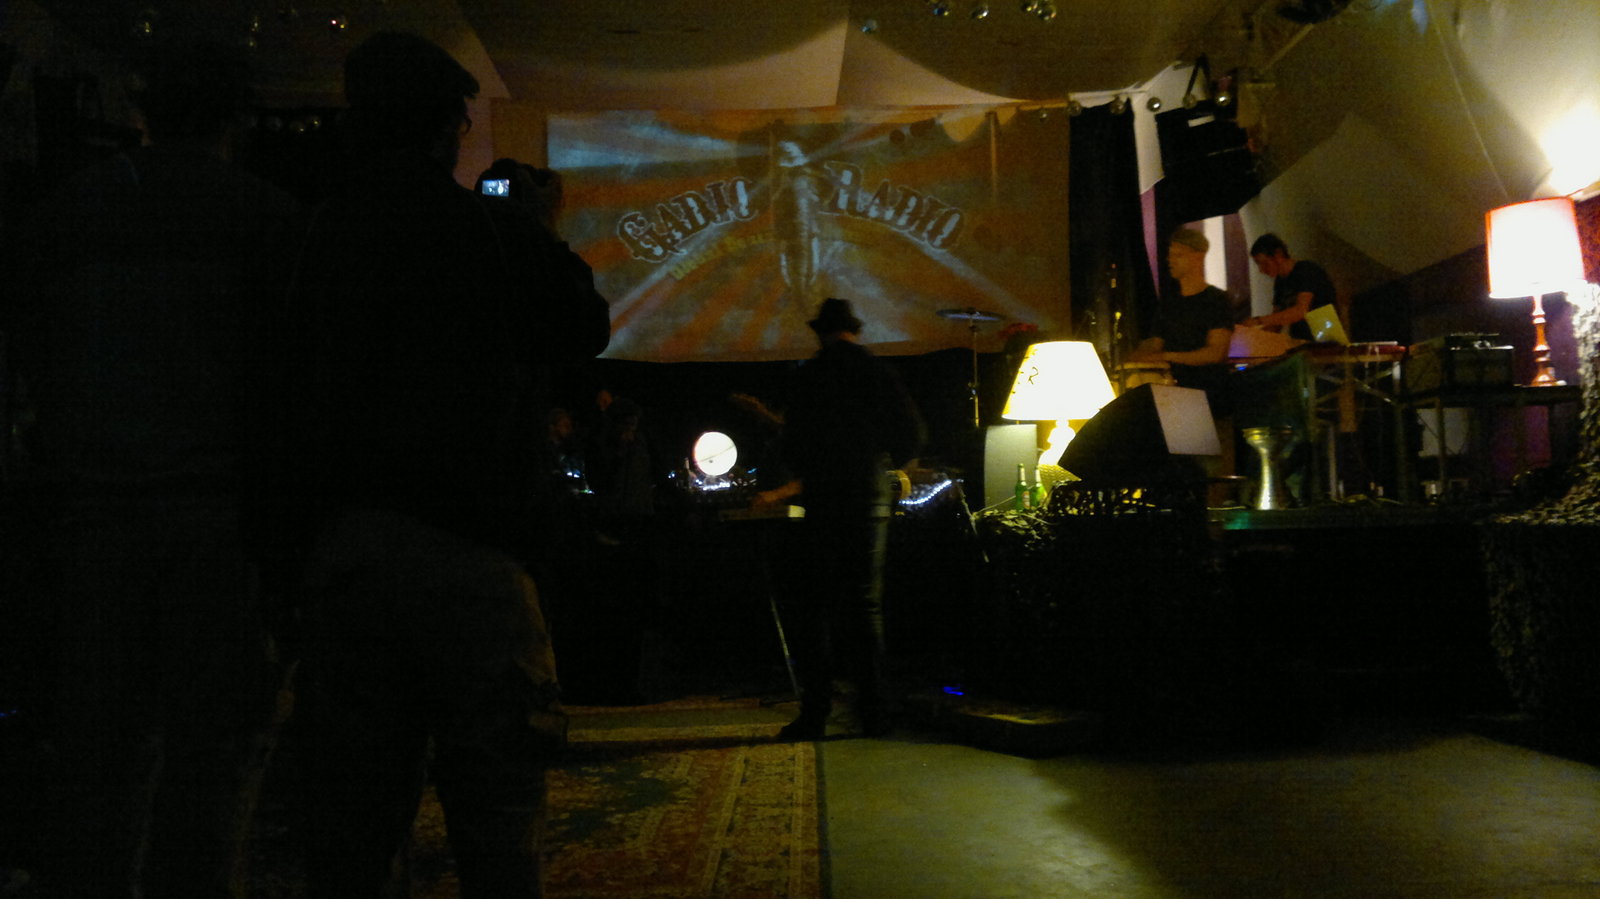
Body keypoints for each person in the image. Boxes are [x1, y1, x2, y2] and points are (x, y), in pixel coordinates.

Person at [273, 31, 610, 897]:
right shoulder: (488, 233)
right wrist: (532, 226)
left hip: (348, 553)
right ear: (447, 127)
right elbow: (583, 325)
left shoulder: (310, 239)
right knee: (499, 826)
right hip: (474, 558)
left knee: (351, 831)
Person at [2, 39, 297, 897]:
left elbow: (35, 354)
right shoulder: (263, 215)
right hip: (216, 517)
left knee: (101, 747)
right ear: (236, 118)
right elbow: (287, 383)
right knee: (214, 747)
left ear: (144, 109)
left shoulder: (73, 210)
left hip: (94, 515)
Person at [754, 298, 925, 740]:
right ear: (855, 329)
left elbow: (791, 445)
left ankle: (815, 713)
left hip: (824, 498)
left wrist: (815, 467)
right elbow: (912, 435)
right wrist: (878, 462)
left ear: (819, 332)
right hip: (868, 496)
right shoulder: (878, 371)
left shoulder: (809, 376)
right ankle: (874, 713)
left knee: (815, 606)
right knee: (864, 607)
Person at [1126, 227, 1235, 407]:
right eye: (1170, 256)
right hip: (1172, 393)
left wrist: (1166, 356)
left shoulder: (1217, 300)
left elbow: (1216, 353)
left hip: (1208, 393)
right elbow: (1156, 342)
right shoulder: (1168, 303)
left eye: (1178, 255)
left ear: (1198, 257)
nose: (1170, 261)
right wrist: (1139, 355)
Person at [1245, 232, 1337, 342]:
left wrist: (1259, 321)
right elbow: (1276, 322)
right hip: (1301, 341)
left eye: (1264, 263)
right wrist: (1252, 337)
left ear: (1278, 254)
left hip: (1325, 341)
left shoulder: (1306, 270)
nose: (1261, 270)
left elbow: (1301, 311)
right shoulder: (1280, 281)